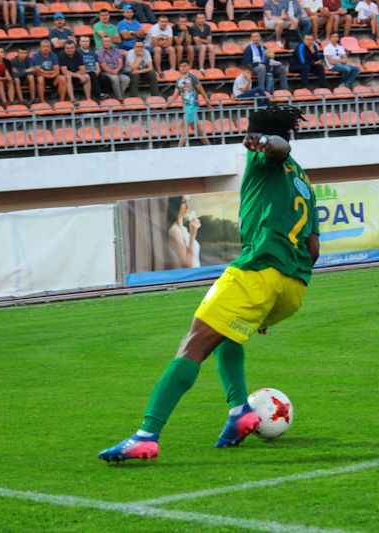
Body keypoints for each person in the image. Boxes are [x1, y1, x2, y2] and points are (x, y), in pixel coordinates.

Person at [98, 104, 320, 463]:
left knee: (192, 344)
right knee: (227, 335)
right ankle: (239, 412)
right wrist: (273, 299)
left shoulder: (265, 157)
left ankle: (146, 436)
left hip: (258, 272)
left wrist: (266, 143)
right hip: (293, 288)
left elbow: (280, 148)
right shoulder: (304, 183)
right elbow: (313, 248)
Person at [164, 61, 213, 146]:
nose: (183, 68)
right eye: (181, 66)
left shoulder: (193, 78)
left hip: (193, 105)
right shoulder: (179, 80)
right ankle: (209, 146)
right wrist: (167, 104)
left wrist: (208, 104)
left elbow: (202, 90)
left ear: (188, 66)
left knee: (184, 125)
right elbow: (175, 95)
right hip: (186, 106)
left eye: (185, 66)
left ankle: (179, 148)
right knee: (198, 130)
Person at [166, 196, 201, 268]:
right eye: (183, 202)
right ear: (175, 204)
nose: (188, 206)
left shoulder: (184, 229)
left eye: (189, 202)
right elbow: (188, 266)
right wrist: (192, 235)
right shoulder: (175, 231)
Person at [30, 39, 67, 103]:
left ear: (50, 48)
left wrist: (45, 72)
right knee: (40, 79)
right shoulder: (36, 56)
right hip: (41, 77)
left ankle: (62, 101)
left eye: (47, 47)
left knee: (62, 78)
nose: (46, 48)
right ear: (40, 47)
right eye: (44, 47)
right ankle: (42, 101)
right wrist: (50, 74)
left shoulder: (54, 55)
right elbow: (38, 71)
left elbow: (57, 70)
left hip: (52, 77)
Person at [97, 34, 130, 100]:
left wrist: (116, 70)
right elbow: (103, 66)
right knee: (115, 78)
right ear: (102, 43)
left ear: (111, 42)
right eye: (105, 41)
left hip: (117, 72)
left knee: (126, 79)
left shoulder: (117, 50)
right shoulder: (100, 52)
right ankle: (119, 98)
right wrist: (112, 72)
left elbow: (120, 62)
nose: (107, 43)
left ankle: (115, 96)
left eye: (108, 41)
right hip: (107, 73)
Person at [58, 39, 91, 104]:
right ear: (64, 48)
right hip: (66, 77)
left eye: (72, 48)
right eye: (68, 48)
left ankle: (88, 99)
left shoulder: (78, 54)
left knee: (87, 76)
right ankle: (72, 99)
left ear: (75, 48)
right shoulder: (61, 55)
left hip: (75, 74)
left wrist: (77, 75)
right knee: (68, 76)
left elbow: (83, 69)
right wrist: (78, 76)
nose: (70, 50)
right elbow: (64, 71)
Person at [79, 35, 109, 101]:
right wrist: (88, 71)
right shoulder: (77, 53)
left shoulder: (93, 53)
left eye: (87, 41)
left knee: (105, 78)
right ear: (80, 42)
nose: (85, 43)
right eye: (83, 41)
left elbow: (97, 66)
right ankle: (99, 94)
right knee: (92, 74)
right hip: (84, 72)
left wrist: (97, 71)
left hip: (94, 72)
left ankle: (106, 95)